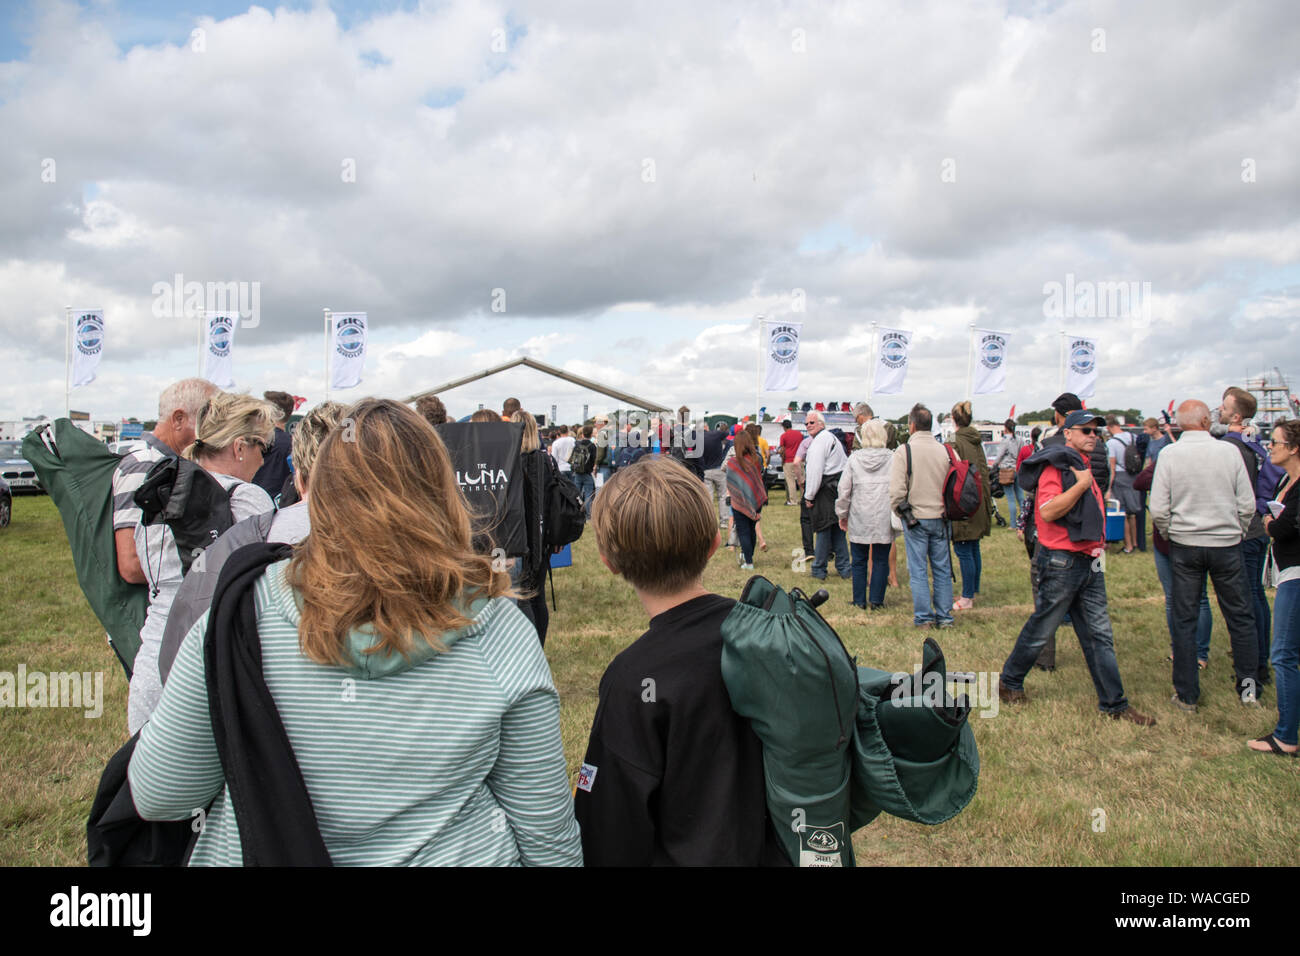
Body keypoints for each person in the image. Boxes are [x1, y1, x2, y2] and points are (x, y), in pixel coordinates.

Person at [129, 399, 581, 866]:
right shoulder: (499, 628)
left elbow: (162, 793)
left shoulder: (245, 611)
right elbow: (546, 837)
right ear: (446, 494)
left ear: (315, 492)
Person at [574, 455, 787, 865]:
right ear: (711, 545)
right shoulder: (769, 634)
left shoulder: (632, 679)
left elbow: (609, 824)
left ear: (609, 562)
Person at [157, 401, 349, 686]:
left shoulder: (173, 491)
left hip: (243, 687)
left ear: (297, 472)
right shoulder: (404, 543)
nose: (262, 458)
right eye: (263, 447)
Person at [127, 392, 278, 734]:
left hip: (153, 661)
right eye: (262, 447)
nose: (263, 460)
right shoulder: (248, 499)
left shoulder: (163, 492)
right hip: (209, 663)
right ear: (240, 447)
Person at [998, 410, 1156, 726]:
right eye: (1085, 430)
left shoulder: (1078, 464)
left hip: (1089, 560)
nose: (1093, 435)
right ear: (1067, 433)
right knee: (1043, 626)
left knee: (1099, 634)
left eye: (1096, 431)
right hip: (1062, 561)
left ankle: (1115, 704)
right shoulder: (1057, 465)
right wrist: (1082, 485)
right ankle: (1010, 681)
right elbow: (1048, 511)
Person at [1150, 400, 1259, 711]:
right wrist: (1236, 529)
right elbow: (1247, 503)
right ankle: (1248, 689)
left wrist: (1172, 532)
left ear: (1181, 424)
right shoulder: (1229, 452)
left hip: (1186, 544)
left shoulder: (1170, 454)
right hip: (1225, 543)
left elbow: (1158, 508)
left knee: (1184, 619)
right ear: (1207, 422)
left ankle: (1186, 694)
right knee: (1240, 616)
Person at [113, 378, 221, 586]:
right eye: (209, 421)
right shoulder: (144, 464)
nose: (214, 432)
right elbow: (131, 565)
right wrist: (205, 570)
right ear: (179, 419)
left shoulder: (168, 464)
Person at [1220, 386, 1284, 688]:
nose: (1218, 410)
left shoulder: (1231, 446)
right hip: (1260, 526)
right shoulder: (1255, 443)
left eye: (1223, 406)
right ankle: (1261, 662)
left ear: (1235, 414)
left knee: (1245, 601)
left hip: (1243, 529)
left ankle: (1254, 665)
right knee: (1257, 597)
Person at [1133, 451, 1213, 670]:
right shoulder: (1170, 458)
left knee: (1197, 597)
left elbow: (1142, 481)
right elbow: (1139, 482)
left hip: (1186, 536)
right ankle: (1183, 649)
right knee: (1177, 597)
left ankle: (1198, 652)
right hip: (1171, 539)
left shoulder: (1201, 461)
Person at [1250, 419, 1300, 755]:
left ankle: (1286, 737)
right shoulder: (1286, 479)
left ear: (1294, 448)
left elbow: (1283, 529)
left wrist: (1270, 523)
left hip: (1296, 574)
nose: (1271, 447)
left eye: (1277, 442)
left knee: (1282, 655)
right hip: (1287, 571)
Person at [890, 404, 954, 628]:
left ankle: (924, 617)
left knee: (917, 570)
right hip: (941, 516)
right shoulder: (945, 450)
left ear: (912, 425)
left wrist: (900, 511)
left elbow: (897, 491)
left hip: (915, 516)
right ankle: (945, 616)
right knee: (942, 569)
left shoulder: (904, 450)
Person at [837, 419, 894, 609]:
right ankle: (877, 600)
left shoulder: (854, 458)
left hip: (859, 512)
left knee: (859, 559)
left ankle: (859, 600)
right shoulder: (892, 458)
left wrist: (842, 513)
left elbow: (844, 489)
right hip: (883, 511)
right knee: (880, 559)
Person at [512, 410, 553, 644]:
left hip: (519, 538)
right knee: (538, 595)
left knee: (521, 597)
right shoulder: (546, 460)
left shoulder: (509, 463)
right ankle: (539, 643)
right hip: (542, 537)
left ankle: (528, 646)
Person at [949, 401, 992, 611]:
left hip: (963, 501)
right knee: (973, 547)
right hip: (979, 500)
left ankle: (967, 596)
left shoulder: (955, 441)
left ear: (953, 419)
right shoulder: (976, 440)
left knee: (965, 548)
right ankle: (972, 589)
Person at [802, 410, 850, 581]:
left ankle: (819, 568)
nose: (808, 426)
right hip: (836, 486)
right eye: (806, 423)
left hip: (826, 489)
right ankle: (844, 567)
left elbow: (814, 472)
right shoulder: (831, 438)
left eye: (812, 423)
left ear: (821, 424)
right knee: (837, 529)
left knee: (823, 528)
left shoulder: (818, 443)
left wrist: (809, 496)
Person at [725, 429, 768, 571]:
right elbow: (758, 479)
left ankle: (748, 562)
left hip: (738, 502)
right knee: (752, 530)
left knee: (743, 531)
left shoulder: (732, 462)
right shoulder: (756, 459)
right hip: (755, 501)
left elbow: (729, 481)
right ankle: (749, 557)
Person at [1104, 416, 1141, 554]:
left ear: (1109, 427)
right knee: (1133, 513)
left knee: (1123, 512)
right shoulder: (1133, 437)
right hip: (1134, 475)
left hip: (1120, 477)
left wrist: (1108, 488)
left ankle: (1128, 545)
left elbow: (1112, 467)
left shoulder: (1111, 443)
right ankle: (1136, 542)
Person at [700, 422, 732, 541]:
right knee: (723, 496)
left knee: (708, 497)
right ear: (707, 427)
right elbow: (727, 433)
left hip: (705, 470)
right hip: (718, 469)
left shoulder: (697, 438)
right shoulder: (715, 435)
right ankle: (724, 521)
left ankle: (710, 522)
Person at [994, 419, 1022, 528]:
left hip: (1006, 470)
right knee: (1020, 497)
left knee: (1010, 499)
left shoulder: (1005, 440)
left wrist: (994, 466)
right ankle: (1025, 521)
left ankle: (1013, 524)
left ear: (1005, 428)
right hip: (1017, 469)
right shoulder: (1020, 439)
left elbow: (999, 456)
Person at [570, 425, 598, 517]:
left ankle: (576, 512)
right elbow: (594, 459)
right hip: (587, 473)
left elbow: (572, 458)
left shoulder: (577, 444)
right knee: (588, 494)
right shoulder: (592, 446)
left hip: (577, 473)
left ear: (582, 434)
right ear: (591, 435)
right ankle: (588, 515)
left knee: (577, 494)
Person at [779, 419, 803, 505]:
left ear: (784, 427)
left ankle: (793, 501)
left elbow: (782, 449)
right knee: (801, 480)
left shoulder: (784, 436)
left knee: (791, 481)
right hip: (799, 459)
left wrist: (781, 456)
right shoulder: (799, 434)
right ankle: (803, 499)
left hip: (788, 460)